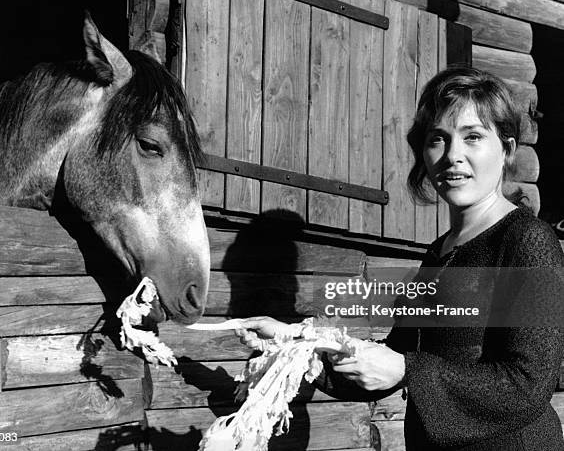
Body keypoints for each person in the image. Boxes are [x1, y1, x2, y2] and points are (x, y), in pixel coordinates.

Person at [235, 66, 564, 450]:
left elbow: (527, 385)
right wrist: (295, 345)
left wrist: (408, 368)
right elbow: (393, 362)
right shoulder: (439, 252)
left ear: (506, 148)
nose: (452, 156)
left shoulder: (527, 240)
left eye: (472, 137)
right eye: (437, 139)